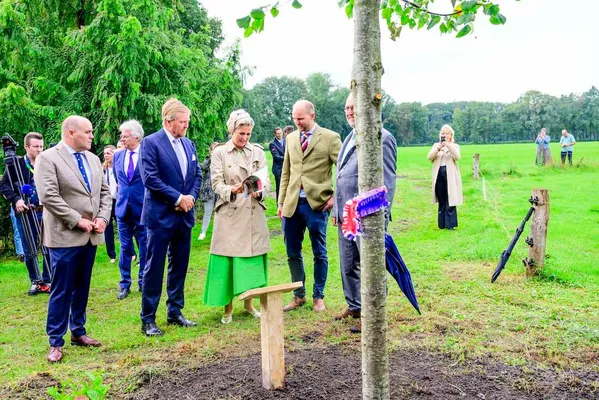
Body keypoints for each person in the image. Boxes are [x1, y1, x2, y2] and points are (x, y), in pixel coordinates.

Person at [35, 116, 112, 363]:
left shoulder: (92, 159)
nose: (92, 136)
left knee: (82, 287)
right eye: (88, 132)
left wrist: (102, 218)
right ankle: (55, 341)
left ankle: (78, 331)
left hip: (90, 236)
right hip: (65, 235)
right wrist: (77, 219)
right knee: (62, 289)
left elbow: (104, 192)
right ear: (71, 133)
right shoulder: (48, 158)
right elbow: (48, 196)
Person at [332, 94, 397, 332]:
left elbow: (387, 183)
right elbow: (341, 178)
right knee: (348, 264)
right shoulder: (349, 137)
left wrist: (377, 216)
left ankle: (375, 312)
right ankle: (355, 306)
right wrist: (339, 211)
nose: (349, 111)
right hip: (345, 217)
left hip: (368, 218)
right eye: (346, 107)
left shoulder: (383, 138)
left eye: (353, 107)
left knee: (371, 265)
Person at [139, 98, 201, 336]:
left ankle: (175, 311)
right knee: (154, 267)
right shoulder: (151, 143)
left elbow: (197, 175)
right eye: (183, 122)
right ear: (168, 121)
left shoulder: (189, 144)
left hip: (184, 215)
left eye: (187, 122)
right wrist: (177, 198)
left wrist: (191, 198)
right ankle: (148, 318)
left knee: (180, 265)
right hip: (161, 215)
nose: (186, 126)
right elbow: (151, 179)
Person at [203, 110, 270, 324]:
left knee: (250, 260)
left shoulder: (258, 152)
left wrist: (261, 190)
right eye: (241, 133)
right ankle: (227, 307)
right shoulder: (220, 153)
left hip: (252, 212)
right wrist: (231, 189)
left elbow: (265, 179)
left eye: (249, 134)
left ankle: (249, 303)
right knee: (228, 260)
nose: (245, 138)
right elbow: (216, 183)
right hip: (230, 213)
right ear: (232, 130)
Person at [278, 100, 342, 313]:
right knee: (292, 252)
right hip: (292, 204)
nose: (297, 123)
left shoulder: (331, 138)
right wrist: (280, 203)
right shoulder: (290, 138)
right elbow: (286, 173)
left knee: (319, 252)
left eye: (301, 119)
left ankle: (318, 296)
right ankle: (299, 295)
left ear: (312, 115)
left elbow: (343, 170)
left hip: (317, 205)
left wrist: (336, 198)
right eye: (294, 119)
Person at [0, 132, 52, 295]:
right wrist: (16, 200)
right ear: (27, 146)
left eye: (41, 146)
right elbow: (4, 186)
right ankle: (35, 281)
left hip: (46, 212)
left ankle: (48, 279)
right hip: (26, 213)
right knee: (29, 248)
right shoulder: (16, 164)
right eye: (36, 146)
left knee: (49, 246)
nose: (39, 149)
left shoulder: (47, 161)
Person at [113, 120, 148, 300]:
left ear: (136, 136)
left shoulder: (147, 154)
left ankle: (143, 281)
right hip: (122, 209)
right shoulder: (118, 156)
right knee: (125, 247)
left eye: (124, 136)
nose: (122, 139)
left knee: (144, 246)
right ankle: (124, 283)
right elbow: (119, 181)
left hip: (142, 208)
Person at [427, 125, 463, 230]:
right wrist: (438, 148)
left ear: (451, 135)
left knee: (450, 199)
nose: (445, 135)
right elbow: (429, 157)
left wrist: (448, 145)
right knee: (442, 199)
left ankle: (450, 224)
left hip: (450, 175)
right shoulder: (436, 146)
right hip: (439, 174)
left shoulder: (455, 146)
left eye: (447, 133)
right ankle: (442, 224)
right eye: (443, 133)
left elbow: (457, 157)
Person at [197, 142, 220, 241]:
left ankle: (220, 233)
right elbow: (202, 167)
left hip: (220, 189)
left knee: (221, 212)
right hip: (209, 190)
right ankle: (203, 232)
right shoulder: (208, 161)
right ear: (211, 151)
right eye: (214, 149)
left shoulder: (223, 160)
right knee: (208, 212)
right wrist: (211, 158)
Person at [103, 145, 118, 263]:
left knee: (122, 226)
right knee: (107, 229)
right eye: (104, 153)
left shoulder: (118, 168)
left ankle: (131, 252)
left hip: (117, 200)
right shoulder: (103, 170)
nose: (106, 155)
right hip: (107, 202)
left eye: (109, 153)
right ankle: (111, 255)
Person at [269, 127, 285, 201]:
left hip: (286, 169)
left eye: (280, 133)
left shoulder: (286, 141)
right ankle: (279, 207)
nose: (279, 135)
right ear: (275, 134)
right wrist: (287, 158)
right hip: (278, 169)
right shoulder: (272, 144)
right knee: (280, 189)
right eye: (278, 134)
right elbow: (276, 157)